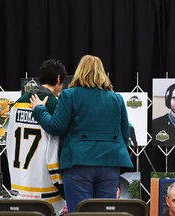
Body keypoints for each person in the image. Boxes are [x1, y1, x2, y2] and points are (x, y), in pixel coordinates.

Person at [30, 54, 133, 212]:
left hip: (78, 163)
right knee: (105, 214)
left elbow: (56, 127)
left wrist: (39, 109)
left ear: (79, 71)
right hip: (110, 163)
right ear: (102, 73)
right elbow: (125, 135)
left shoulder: (69, 95)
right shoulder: (116, 98)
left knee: (80, 212)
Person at [6, 59, 67, 215]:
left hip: (19, 186)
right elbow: (54, 151)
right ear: (59, 79)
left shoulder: (17, 104)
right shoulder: (55, 105)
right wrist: (62, 187)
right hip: (45, 189)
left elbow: (10, 145)